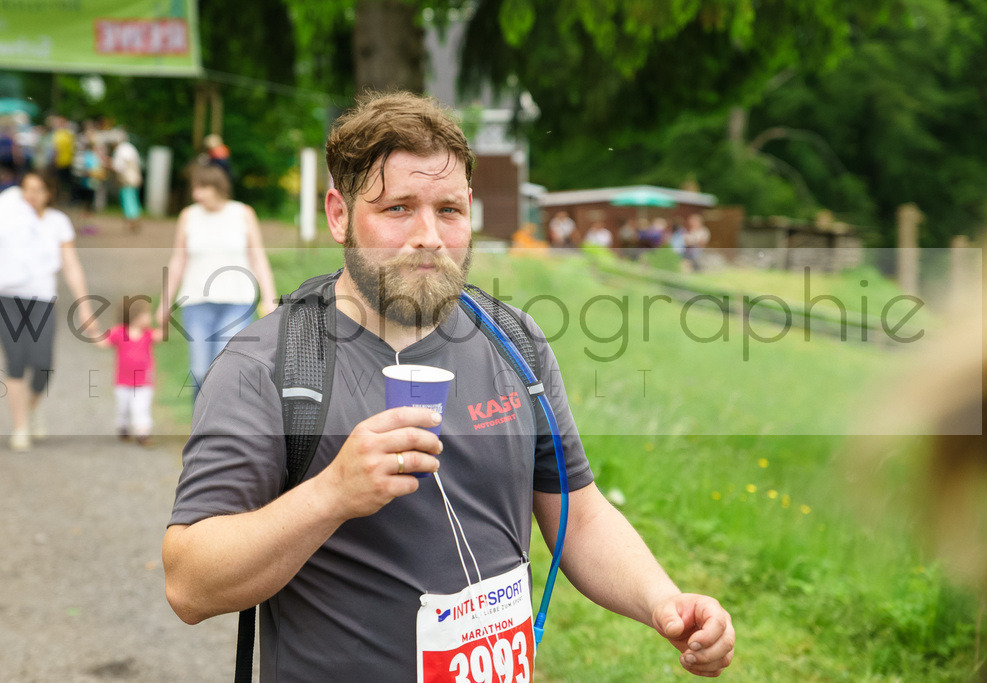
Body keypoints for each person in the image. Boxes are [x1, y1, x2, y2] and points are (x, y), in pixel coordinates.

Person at [162, 92, 734, 681]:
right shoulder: (269, 363)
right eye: (398, 209)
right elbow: (189, 583)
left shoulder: (517, 341)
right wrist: (332, 493)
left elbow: (579, 517)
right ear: (339, 215)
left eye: (450, 210)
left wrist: (664, 602)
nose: (428, 235)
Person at [0, 172, 97, 450]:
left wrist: (84, 306)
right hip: (4, 299)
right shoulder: (4, 218)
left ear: (49, 192)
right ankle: (20, 426)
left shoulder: (58, 222)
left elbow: (71, 265)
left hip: (41, 299)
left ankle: (33, 406)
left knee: (43, 363)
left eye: (38, 190)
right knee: (16, 359)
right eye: (27, 189)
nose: (31, 196)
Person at [155, 163, 277, 398]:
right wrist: (164, 302)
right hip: (197, 303)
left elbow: (258, 258)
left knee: (226, 370)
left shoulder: (243, 213)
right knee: (200, 371)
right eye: (195, 188)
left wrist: (269, 298)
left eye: (202, 187)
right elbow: (178, 260)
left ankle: (226, 431)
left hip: (237, 302)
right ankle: (200, 430)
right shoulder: (188, 216)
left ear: (218, 187)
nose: (196, 194)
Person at [96, 298, 162, 446]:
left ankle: (143, 433)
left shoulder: (148, 334)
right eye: (146, 314)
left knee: (141, 406)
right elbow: (103, 343)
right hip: (123, 381)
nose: (149, 317)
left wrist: (164, 320)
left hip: (143, 381)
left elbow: (161, 336)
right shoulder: (119, 332)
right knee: (123, 407)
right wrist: (92, 331)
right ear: (135, 316)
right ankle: (123, 426)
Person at [111, 131, 143, 233]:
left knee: (128, 199)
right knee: (132, 198)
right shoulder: (130, 147)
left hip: (127, 179)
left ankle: (132, 222)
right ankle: (133, 222)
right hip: (134, 178)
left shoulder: (122, 149)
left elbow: (120, 165)